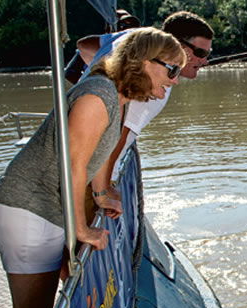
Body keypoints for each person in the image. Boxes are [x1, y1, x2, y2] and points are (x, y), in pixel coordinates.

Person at [0, 27, 186, 308]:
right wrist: (82, 229)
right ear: (142, 62)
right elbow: (73, 167)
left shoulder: (120, 96)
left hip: (50, 207)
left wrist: (102, 193)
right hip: (26, 210)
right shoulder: (97, 96)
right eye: (172, 69)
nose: (175, 81)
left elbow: (99, 154)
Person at [73, 11, 214, 198]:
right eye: (200, 53)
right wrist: (104, 190)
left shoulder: (128, 38)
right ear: (178, 45)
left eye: (208, 54)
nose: (205, 61)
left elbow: (84, 45)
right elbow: (118, 136)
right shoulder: (151, 82)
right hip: (87, 178)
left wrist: (106, 68)